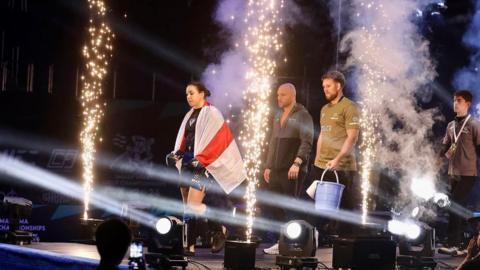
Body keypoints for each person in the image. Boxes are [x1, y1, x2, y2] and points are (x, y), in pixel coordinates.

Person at [166, 81, 245, 255]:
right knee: (187, 208)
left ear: (202, 94)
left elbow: (218, 142)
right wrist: (175, 153)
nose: (188, 96)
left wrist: (201, 160)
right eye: (186, 93)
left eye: (192, 93)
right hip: (187, 164)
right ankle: (190, 246)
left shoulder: (213, 113)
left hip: (201, 167)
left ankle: (220, 227)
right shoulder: (189, 115)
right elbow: (185, 139)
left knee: (194, 206)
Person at [262, 83, 314, 255]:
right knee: (274, 204)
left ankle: (292, 242)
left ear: (293, 95)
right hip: (276, 170)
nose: (279, 98)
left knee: (291, 206)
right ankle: (282, 240)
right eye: (278, 95)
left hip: (292, 169)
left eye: (283, 95)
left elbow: (307, 141)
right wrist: (268, 166)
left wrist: (298, 162)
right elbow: (272, 143)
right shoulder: (278, 116)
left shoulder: (302, 115)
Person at [310, 70, 360, 237]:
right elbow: (322, 135)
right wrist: (317, 160)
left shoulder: (350, 107)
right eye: (323, 86)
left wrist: (338, 159)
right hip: (322, 166)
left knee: (346, 210)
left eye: (328, 86)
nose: (325, 89)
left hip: (343, 168)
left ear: (339, 86)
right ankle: (314, 239)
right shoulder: (324, 109)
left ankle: (347, 247)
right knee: (315, 206)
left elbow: (352, 137)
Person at [439, 90, 480, 256]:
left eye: (459, 100)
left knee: (454, 205)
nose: (455, 103)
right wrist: (434, 161)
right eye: (454, 100)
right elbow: (445, 147)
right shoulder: (450, 125)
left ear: (467, 104)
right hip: (452, 173)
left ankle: (454, 244)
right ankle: (465, 244)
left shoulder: (474, 124)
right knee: (457, 207)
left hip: (468, 174)